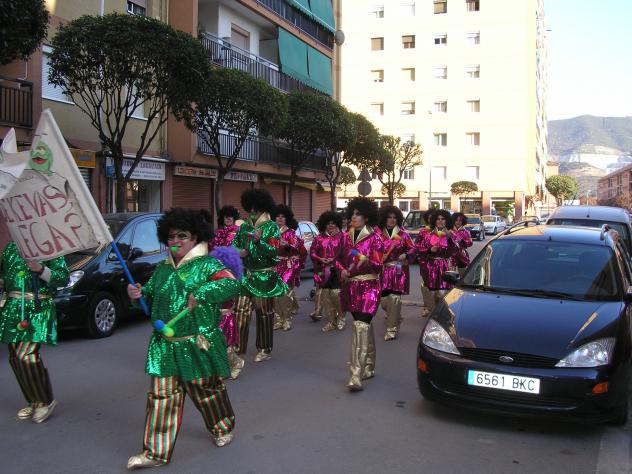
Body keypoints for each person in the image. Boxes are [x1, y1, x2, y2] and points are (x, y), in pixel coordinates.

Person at [126, 208, 241, 470]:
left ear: (195, 237)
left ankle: (222, 426)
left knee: (206, 391)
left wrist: (202, 292)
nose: (175, 241)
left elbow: (231, 284)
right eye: (171, 237)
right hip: (164, 346)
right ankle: (155, 452)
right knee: (160, 396)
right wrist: (137, 294)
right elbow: (149, 297)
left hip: (195, 343)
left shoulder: (208, 265)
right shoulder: (162, 269)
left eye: (182, 236)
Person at [0, 242, 68, 423]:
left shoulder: (49, 247)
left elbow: (62, 278)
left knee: (25, 355)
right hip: (13, 308)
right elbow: (4, 276)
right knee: (14, 357)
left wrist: (40, 269)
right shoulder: (11, 248)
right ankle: (34, 400)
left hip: (38, 308)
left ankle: (43, 402)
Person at [232, 189, 287, 363]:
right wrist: (238, 252)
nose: (252, 211)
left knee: (264, 313)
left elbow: (275, 252)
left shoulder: (271, 227)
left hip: (264, 276)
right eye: (250, 207)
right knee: (240, 311)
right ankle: (237, 349)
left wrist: (259, 242)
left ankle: (264, 348)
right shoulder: (243, 227)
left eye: (256, 208)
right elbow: (234, 245)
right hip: (245, 275)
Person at [339, 197, 384, 391]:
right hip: (351, 288)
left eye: (358, 214)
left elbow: (379, 266)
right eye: (352, 214)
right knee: (363, 326)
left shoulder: (375, 238)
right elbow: (337, 259)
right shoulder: (344, 237)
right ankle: (369, 366)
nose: (354, 217)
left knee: (360, 326)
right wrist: (341, 269)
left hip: (369, 286)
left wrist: (367, 260)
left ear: (366, 217)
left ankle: (355, 374)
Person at [209, 205, 244, 379]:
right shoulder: (216, 234)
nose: (228, 219)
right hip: (215, 274)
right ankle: (223, 365)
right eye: (226, 216)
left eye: (231, 216)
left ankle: (236, 362)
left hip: (230, 273)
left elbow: (242, 251)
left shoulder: (238, 232)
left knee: (225, 315)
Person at [376, 205, 415, 341]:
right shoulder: (378, 235)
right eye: (389, 217)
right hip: (384, 271)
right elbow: (372, 251)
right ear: (384, 219)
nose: (392, 220)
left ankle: (391, 329)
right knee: (384, 302)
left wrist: (406, 254)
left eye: (394, 217)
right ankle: (396, 315)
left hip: (399, 270)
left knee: (394, 298)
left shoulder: (403, 234)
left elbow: (413, 249)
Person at [310, 211, 349, 332]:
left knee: (336, 295)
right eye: (328, 223)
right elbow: (312, 252)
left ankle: (341, 318)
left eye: (333, 223)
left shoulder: (343, 236)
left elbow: (347, 254)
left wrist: (335, 261)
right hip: (323, 271)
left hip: (337, 271)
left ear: (337, 223)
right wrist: (320, 258)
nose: (331, 225)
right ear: (324, 225)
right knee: (326, 296)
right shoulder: (319, 238)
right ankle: (331, 321)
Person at [415, 209, 458, 314]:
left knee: (443, 293)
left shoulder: (451, 235)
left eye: (443, 219)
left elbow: (456, 251)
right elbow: (419, 250)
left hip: (445, 266)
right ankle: (433, 313)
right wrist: (430, 250)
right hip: (431, 266)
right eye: (438, 219)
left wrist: (449, 239)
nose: (440, 221)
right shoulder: (428, 235)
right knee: (431, 293)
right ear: (434, 221)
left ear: (447, 221)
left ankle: (444, 313)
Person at [272, 204, 305, 331]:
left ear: (287, 219)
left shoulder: (291, 233)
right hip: (274, 266)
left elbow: (298, 249)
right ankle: (279, 319)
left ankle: (287, 320)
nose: (280, 218)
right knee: (275, 295)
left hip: (287, 265)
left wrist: (287, 246)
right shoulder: (271, 233)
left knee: (286, 293)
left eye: (283, 216)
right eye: (277, 216)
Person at [414, 209, 435, 317]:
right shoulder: (423, 232)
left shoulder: (442, 231)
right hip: (425, 262)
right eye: (429, 218)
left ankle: (437, 308)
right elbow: (417, 246)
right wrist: (428, 250)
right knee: (426, 285)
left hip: (439, 263)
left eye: (433, 218)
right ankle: (427, 307)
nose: (431, 220)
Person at [451, 212, 473, 278]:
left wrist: (462, 241)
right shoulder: (449, 231)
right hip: (451, 256)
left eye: (460, 220)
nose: (458, 222)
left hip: (462, 255)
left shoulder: (466, 232)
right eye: (456, 220)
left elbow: (470, 243)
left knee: (463, 275)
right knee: (450, 276)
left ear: (463, 221)